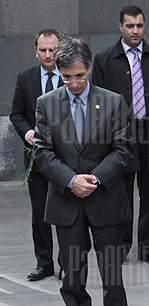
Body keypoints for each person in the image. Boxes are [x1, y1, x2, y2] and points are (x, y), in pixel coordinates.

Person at [34, 36, 137, 306]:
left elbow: (124, 149)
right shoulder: (46, 103)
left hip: (105, 200)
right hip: (68, 206)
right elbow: (42, 152)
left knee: (112, 275)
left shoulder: (113, 102)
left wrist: (94, 178)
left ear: (89, 69)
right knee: (72, 276)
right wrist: (70, 180)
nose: (74, 83)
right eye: (67, 77)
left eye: (79, 75)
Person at [92, 5, 149, 265]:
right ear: (120, 26)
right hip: (120, 138)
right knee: (121, 195)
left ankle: (146, 246)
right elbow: (97, 104)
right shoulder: (105, 60)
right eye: (130, 25)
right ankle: (121, 246)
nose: (135, 30)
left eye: (139, 25)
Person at [10, 28, 61, 282]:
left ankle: (67, 263)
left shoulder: (71, 77)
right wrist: (27, 133)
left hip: (66, 159)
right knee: (40, 212)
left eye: (53, 49)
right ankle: (44, 263)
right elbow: (16, 114)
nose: (48, 55)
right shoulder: (26, 78)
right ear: (35, 51)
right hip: (37, 157)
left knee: (66, 213)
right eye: (43, 50)